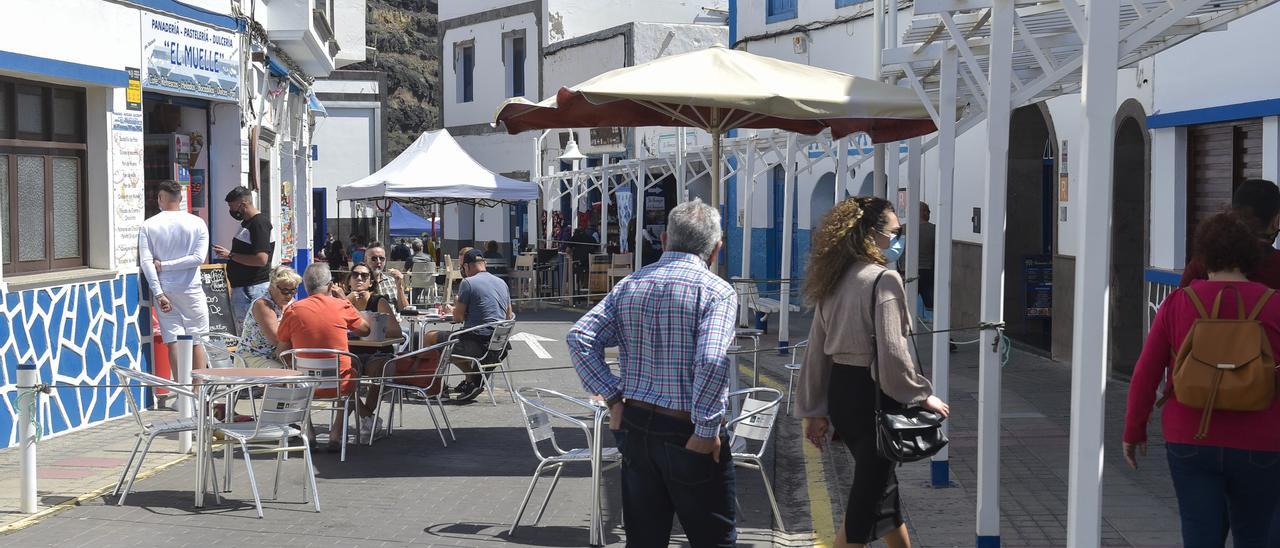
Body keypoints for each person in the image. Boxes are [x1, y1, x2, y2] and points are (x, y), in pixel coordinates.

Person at [567, 198, 738, 547]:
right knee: (714, 539)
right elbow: (710, 359)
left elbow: (580, 337)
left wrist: (614, 398)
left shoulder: (630, 284)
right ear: (717, 248)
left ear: (664, 241)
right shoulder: (717, 291)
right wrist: (706, 429)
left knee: (645, 538)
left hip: (636, 424)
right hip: (686, 427)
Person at [797, 197, 950, 548]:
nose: (898, 239)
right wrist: (922, 395)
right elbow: (893, 356)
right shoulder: (884, 280)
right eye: (895, 232)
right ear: (872, 234)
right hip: (874, 396)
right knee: (866, 502)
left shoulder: (834, 277)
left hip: (842, 395)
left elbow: (816, 350)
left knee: (884, 494)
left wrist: (814, 410)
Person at [1124, 212, 1280, 547]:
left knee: (1199, 535)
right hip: (1263, 440)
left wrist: (1133, 430)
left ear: (1203, 256)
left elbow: (1145, 374)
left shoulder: (1177, 303)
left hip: (1190, 437)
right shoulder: (1275, 305)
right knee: (1257, 537)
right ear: (1251, 256)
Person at [277, 264, 370, 451]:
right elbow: (365, 330)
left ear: (305, 286)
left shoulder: (293, 309)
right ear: (329, 286)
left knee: (295, 373)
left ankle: (309, 433)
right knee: (352, 373)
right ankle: (335, 433)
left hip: (305, 385)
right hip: (338, 384)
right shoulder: (341, 305)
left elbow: (282, 350)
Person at [139, 180, 211, 373]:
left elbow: (147, 262)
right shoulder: (197, 223)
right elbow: (198, 258)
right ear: (180, 199)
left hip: (165, 289)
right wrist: (166, 267)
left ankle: (182, 391)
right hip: (191, 288)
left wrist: (159, 292)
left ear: (160, 198)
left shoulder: (148, 225)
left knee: (173, 340)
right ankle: (198, 390)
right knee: (198, 340)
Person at [424, 248, 513, 402]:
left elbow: (458, 318)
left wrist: (456, 306)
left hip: (477, 343)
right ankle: (471, 381)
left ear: (467, 266)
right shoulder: (501, 283)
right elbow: (509, 316)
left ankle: (436, 387)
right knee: (452, 342)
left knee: (430, 337)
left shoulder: (468, 283)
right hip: (498, 344)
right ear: (483, 263)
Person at [1180, 178, 1280, 288]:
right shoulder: (1276, 265)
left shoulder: (1204, 261)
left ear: (1233, 215)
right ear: (1276, 221)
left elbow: (1180, 299)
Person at [344, 262, 404, 438]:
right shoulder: (343, 302)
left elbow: (396, 331)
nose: (359, 278)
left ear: (371, 282)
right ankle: (368, 418)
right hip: (351, 352)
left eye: (364, 276)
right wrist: (347, 302)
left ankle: (365, 417)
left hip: (377, 351)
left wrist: (373, 329)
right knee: (345, 376)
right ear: (349, 280)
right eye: (355, 275)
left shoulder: (378, 301)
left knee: (377, 372)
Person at [213, 187, 275, 333]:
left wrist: (230, 255)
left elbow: (261, 259)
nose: (231, 211)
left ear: (243, 203)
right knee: (246, 332)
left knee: (250, 332)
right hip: (245, 288)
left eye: (232, 206)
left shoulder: (258, 224)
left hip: (251, 289)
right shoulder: (247, 223)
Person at [236, 267, 301, 368]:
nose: (289, 296)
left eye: (293, 291)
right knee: (291, 377)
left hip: (278, 356)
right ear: (272, 286)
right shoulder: (262, 305)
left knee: (308, 369)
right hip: (253, 356)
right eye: (285, 291)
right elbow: (278, 340)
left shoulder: (291, 303)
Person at [365, 242, 409, 312]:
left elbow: (405, 310)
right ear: (366, 260)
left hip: (395, 321)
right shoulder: (360, 282)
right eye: (374, 258)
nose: (378, 262)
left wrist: (399, 286)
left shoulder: (392, 281)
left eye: (382, 258)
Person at [569, 227, 595, 294]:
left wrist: (572, 253)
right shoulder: (590, 237)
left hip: (578, 262)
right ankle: (585, 288)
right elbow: (596, 247)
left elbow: (567, 250)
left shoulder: (574, 238)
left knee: (578, 272)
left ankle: (578, 290)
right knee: (586, 273)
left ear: (575, 233)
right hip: (589, 262)